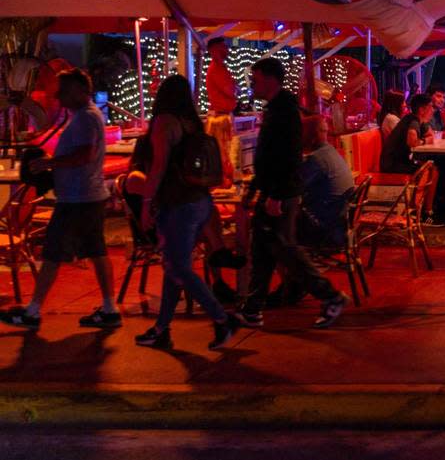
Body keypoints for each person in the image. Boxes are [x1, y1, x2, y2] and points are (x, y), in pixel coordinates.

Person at [1, 69, 120, 331]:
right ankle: (110, 308)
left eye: (64, 89)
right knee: (96, 251)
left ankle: (32, 312)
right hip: (86, 195)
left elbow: (85, 154)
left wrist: (49, 163)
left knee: (53, 252)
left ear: (80, 90)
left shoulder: (87, 118)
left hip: (78, 197)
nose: (58, 95)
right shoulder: (84, 117)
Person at [238, 58, 348, 329]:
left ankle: (330, 295)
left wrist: (274, 193)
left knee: (285, 248)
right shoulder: (278, 108)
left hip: (280, 193)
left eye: (256, 78)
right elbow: (270, 156)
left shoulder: (284, 111)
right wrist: (255, 188)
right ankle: (252, 309)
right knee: (262, 248)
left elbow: (286, 155)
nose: (252, 83)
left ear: (271, 79)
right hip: (275, 189)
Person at [132, 75, 241, 350]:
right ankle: (161, 329)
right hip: (200, 201)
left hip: (178, 204)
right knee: (173, 267)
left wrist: (146, 205)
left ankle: (222, 319)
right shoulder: (192, 122)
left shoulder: (164, 123)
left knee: (178, 266)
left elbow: (157, 168)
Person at [380, 93, 442, 225]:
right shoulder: (412, 121)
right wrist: (425, 140)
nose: (433, 110)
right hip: (392, 164)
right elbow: (412, 141)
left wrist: (427, 133)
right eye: (430, 107)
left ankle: (426, 210)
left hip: (400, 161)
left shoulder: (416, 119)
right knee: (426, 170)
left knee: (433, 168)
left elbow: (431, 134)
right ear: (422, 110)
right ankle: (421, 212)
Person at [299, 116, 356, 248]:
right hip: (340, 222)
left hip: (325, 226)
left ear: (308, 135)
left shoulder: (316, 159)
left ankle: (295, 264)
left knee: (282, 215)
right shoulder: (331, 151)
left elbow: (297, 187)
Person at [204, 37, 239, 187]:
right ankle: (223, 185)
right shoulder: (216, 69)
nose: (227, 50)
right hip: (219, 118)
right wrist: (234, 88)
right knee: (223, 154)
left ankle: (225, 182)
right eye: (223, 47)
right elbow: (231, 90)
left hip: (223, 116)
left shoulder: (221, 68)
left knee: (226, 153)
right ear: (213, 51)